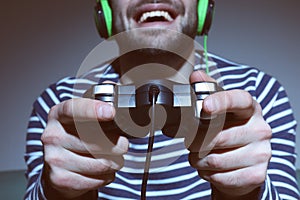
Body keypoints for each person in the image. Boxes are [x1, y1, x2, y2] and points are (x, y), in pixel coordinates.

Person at [24, 0, 299, 199]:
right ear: (104, 13)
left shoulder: (260, 92)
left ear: (204, 8)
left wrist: (245, 194)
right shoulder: (58, 103)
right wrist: (57, 192)